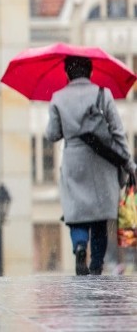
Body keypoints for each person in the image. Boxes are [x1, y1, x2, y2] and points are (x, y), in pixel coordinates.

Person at [44, 55, 136, 275]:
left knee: (76, 212)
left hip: (74, 161)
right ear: (90, 72)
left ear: (67, 74)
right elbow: (117, 132)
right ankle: (96, 265)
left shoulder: (58, 98)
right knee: (98, 217)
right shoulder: (103, 94)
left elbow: (52, 134)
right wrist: (129, 164)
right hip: (101, 161)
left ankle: (78, 246)